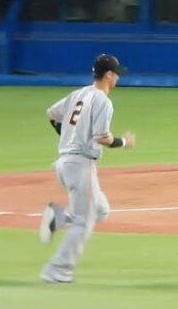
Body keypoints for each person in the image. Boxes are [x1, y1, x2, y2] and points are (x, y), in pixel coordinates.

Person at [38, 54, 135, 283]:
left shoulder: (79, 94)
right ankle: (57, 270)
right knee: (84, 221)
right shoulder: (103, 101)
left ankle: (58, 217)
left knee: (100, 210)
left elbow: (52, 114)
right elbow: (101, 137)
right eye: (117, 74)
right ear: (108, 75)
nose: (118, 78)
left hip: (65, 163)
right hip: (81, 165)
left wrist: (68, 135)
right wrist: (123, 142)